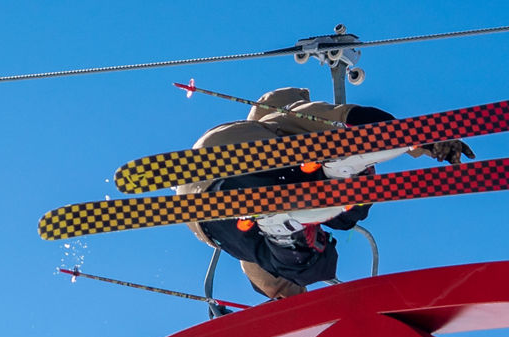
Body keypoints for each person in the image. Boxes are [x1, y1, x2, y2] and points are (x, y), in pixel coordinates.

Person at [179, 88, 471, 301]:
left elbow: (257, 265)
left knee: (291, 242)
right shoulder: (289, 116)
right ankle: (340, 174)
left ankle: (323, 190)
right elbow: (357, 117)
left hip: (207, 203)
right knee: (330, 240)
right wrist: (420, 138)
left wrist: (285, 292)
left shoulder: (238, 127)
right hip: (259, 172)